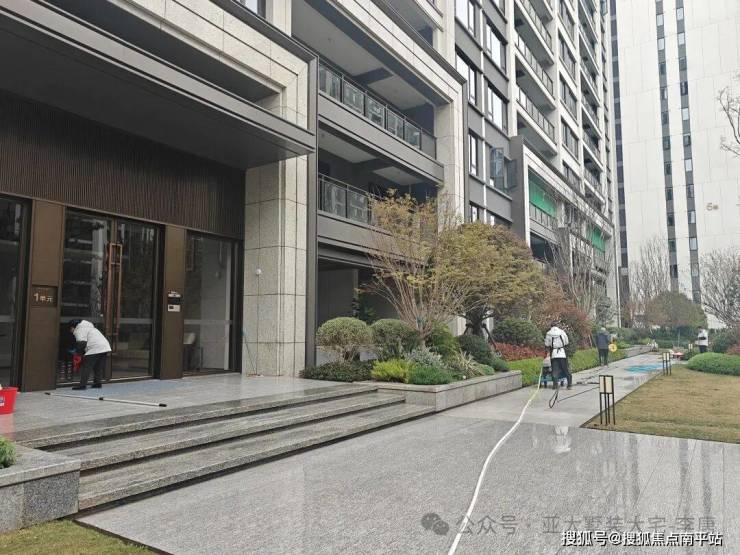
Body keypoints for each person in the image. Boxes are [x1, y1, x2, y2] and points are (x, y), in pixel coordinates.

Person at [69, 320, 111, 390]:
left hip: (94, 347)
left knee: (86, 366)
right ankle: (97, 383)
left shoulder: (79, 330)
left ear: (73, 327)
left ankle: (82, 385)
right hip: (105, 347)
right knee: (98, 367)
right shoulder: (90, 327)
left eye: (70, 329)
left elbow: (82, 343)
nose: (71, 331)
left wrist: (77, 353)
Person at [545, 322, 571, 390]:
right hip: (562, 353)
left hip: (554, 353)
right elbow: (566, 342)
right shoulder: (562, 332)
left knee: (555, 370)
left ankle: (555, 385)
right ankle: (569, 385)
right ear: (557, 326)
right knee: (566, 369)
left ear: (551, 326)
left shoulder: (548, 333)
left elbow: (547, 344)